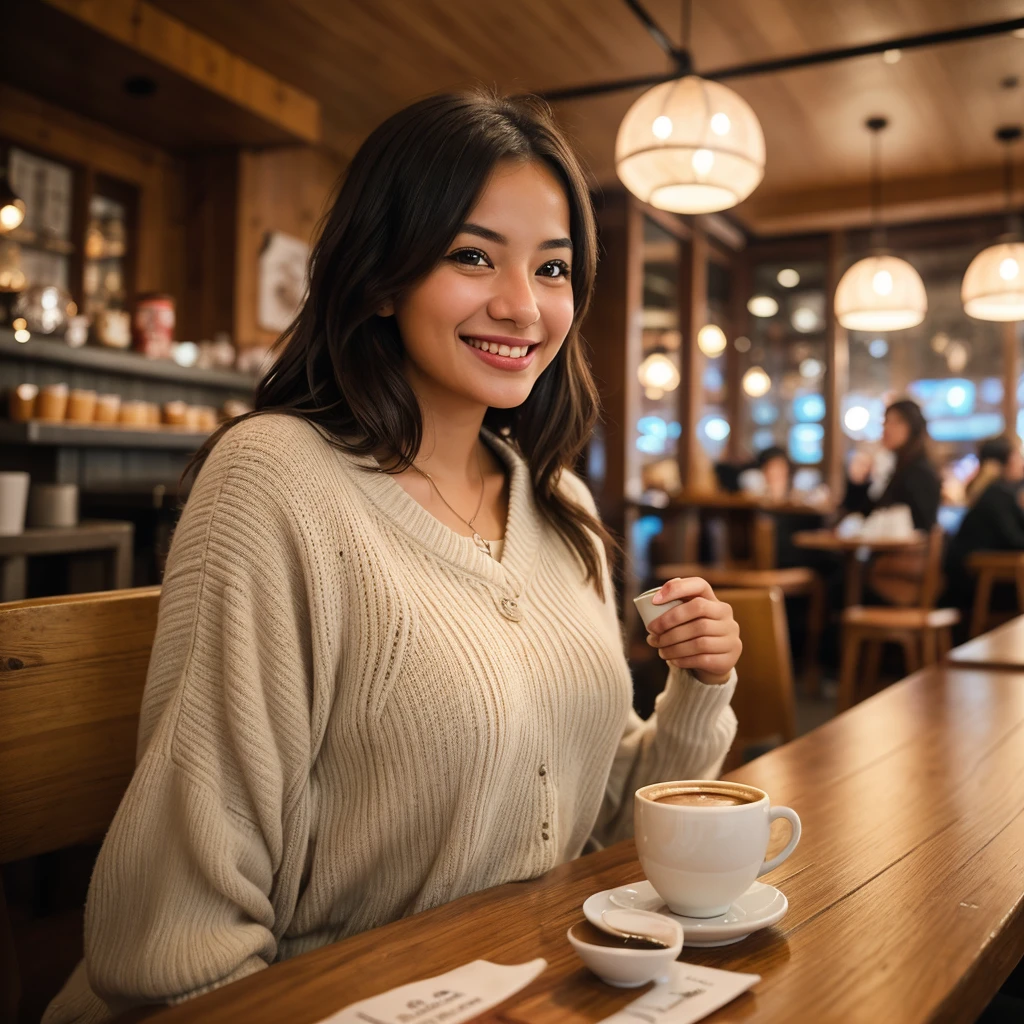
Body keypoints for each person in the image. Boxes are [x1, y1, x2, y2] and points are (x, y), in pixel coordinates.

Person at [44, 91, 740, 1023]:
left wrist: (697, 688)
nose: (521, 305)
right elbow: (177, 934)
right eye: (471, 256)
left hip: (528, 989)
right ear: (380, 276)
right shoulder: (276, 481)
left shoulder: (560, 506)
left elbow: (593, 830)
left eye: (553, 268)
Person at [944, 436, 1024, 609]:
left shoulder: (997, 492)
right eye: (1018, 455)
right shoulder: (997, 494)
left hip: (983, 578)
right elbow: (1016, 540)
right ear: (1007, 461)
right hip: (977, 584)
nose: (1022, 462)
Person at [843, 398, 941, 530]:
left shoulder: (919, 473)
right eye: (885, 421)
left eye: (897, 422)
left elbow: (922, 528)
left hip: (896, 550)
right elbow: (862, 511)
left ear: (914, 428)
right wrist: (859, 480)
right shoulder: (891, 467)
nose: (886, 428)